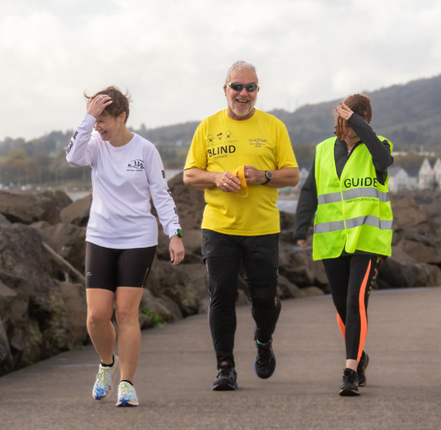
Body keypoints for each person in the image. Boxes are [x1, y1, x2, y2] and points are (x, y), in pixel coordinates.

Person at [183, 61, 299, 391]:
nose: (243, 93)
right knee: (221, 296)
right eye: (237, 86)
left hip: (262, 229)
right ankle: (225, 367)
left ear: (257, 91)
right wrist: (216, 177)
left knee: (264, 300)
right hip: (219, 228)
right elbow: (190, 175)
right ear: (225, 89)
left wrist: (263, 176)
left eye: (250, 87)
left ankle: (263, 341)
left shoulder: (274, 127)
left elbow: (292, 175)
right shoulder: (207, 127)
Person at [66, 86, 185, 407]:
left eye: (103, 119)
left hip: (138, 239)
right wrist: (87, 117)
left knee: (125, 312)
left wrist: (174, 233)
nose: (98, 126)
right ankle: (107, 363)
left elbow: (161, 194)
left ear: (122, 116)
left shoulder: (145, 149)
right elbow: (72, 156)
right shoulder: (93, 146)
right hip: (101, 236)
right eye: (95, 120)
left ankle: (127, 383)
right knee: (96, 316)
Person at [293, 94, 393, 396]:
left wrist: (358, 123)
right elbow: (310, 191)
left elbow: (383, 160)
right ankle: (360, 354)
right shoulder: (323, 150)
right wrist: (301, 226)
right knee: (340, 304)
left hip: (367, 239)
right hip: (332, 240)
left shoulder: (380, 147)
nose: (349, 128)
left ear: (366, 121)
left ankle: (350, 369)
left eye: (356, 122)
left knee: (355, 300)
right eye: (346, 120)